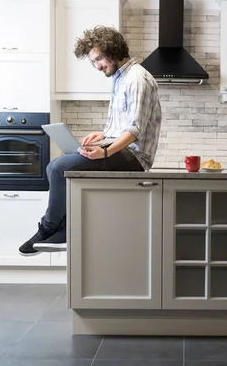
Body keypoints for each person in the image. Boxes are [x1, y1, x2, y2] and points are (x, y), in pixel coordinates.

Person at [19, 26, 162, 256]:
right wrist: (102, 136)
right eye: (93, 61)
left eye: (98, 59)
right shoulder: (119, 78)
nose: (97, 66)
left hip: (134, 157)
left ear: (112, 50)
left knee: (57, 167)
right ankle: (63, 227)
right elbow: (121, 127)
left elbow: (135, 130)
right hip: (120, 149)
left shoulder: (137, 78)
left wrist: (105, 152)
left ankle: (50, 228)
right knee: (62, 163)